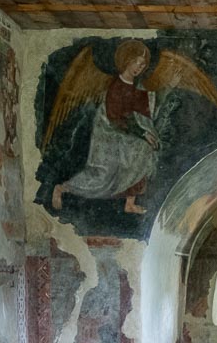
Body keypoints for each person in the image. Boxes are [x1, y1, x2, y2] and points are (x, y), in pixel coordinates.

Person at [53, 40, 159, 216]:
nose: (139, 68)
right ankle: (62, 188)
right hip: (109, 132)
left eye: (142, 65)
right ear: (126, 60)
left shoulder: (136, 86)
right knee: (102, 176)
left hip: (125, 131)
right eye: (136, 62)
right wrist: (143, 133)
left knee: (144, 151)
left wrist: (146, 131)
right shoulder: (116, 86)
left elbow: (142, 109)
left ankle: (130, 203)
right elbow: (115, 117)